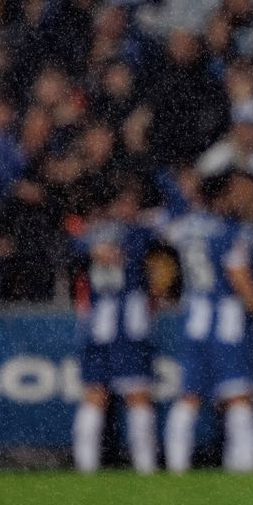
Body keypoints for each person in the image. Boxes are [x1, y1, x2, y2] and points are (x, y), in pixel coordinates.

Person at [162, 169, 253, 473]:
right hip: (226, 321)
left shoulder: (185, 227)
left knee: (189, 396)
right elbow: (237, 276)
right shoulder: (228, 232)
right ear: (222, 197)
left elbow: (162, 234)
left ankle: (176, 466)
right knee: (238, 396)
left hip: (194, 318)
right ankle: (243, 467)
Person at [72, 180, 160, 474]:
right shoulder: (136, 232)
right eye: (129, 202)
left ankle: (86, 468)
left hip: (97, 325)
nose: (132, 209)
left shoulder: (87, 234)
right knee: (137, 397)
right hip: (127, 325)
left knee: (95, 396)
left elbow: (73, 252)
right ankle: (145, 467)